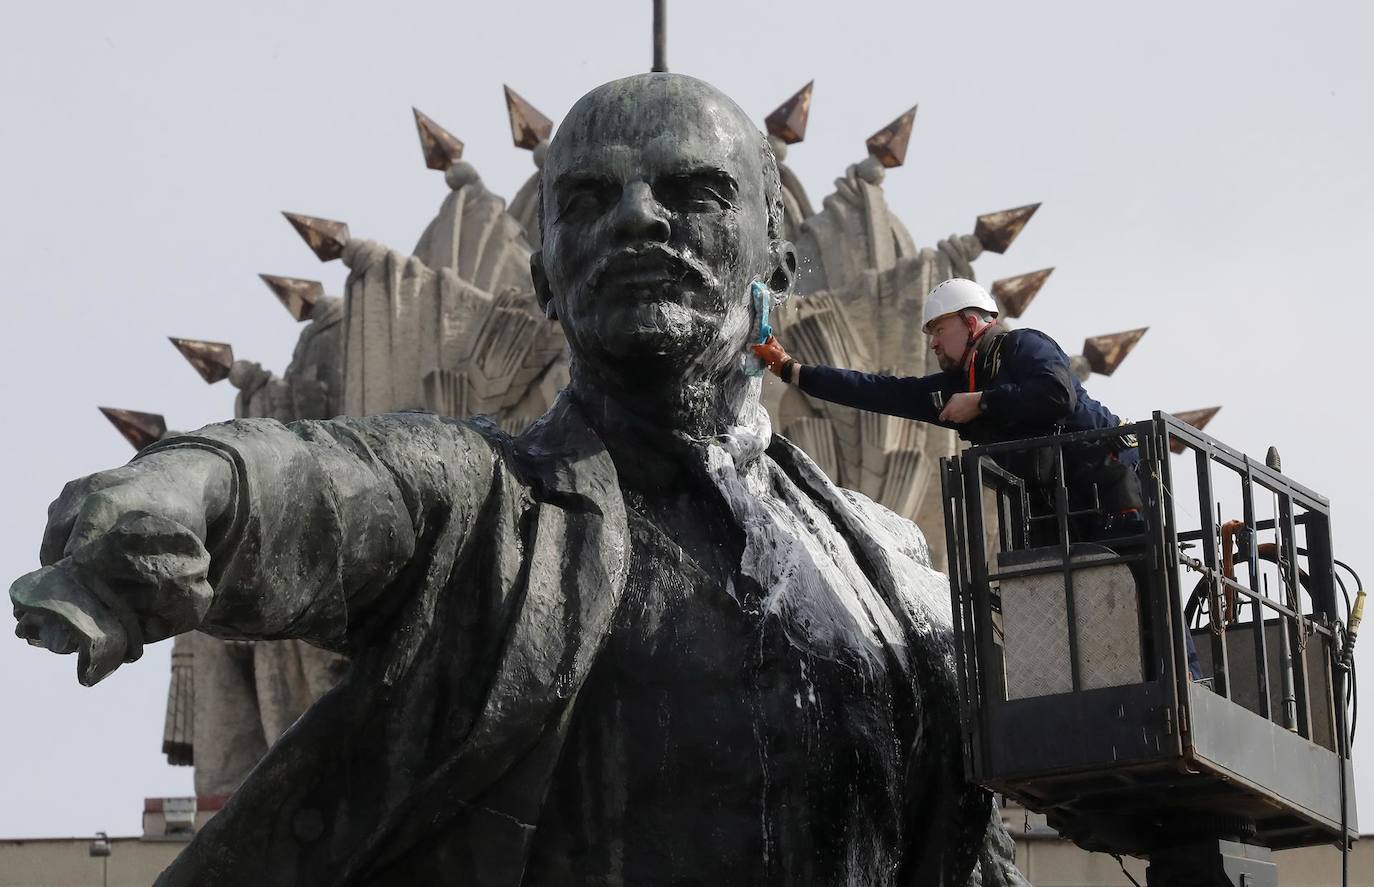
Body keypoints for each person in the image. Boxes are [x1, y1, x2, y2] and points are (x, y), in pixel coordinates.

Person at [10, 74, 1029, 887]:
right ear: (544, 275)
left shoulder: (895, 581)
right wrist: (193, 487)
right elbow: (323, 484)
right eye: (587, 199)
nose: (638, 219)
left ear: (779, 260)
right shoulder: (481, 507)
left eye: (693, 192)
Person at [753, 277, 1144, 542]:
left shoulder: (1022, 345)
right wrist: (792, 370)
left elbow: (1058, 394)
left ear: (971, 323)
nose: (933, 343)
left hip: (1110, 483)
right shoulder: (958, 387)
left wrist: (982, 402)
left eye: (939, 330)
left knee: (1137, 592)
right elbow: (880, 393)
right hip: (1054, 505)